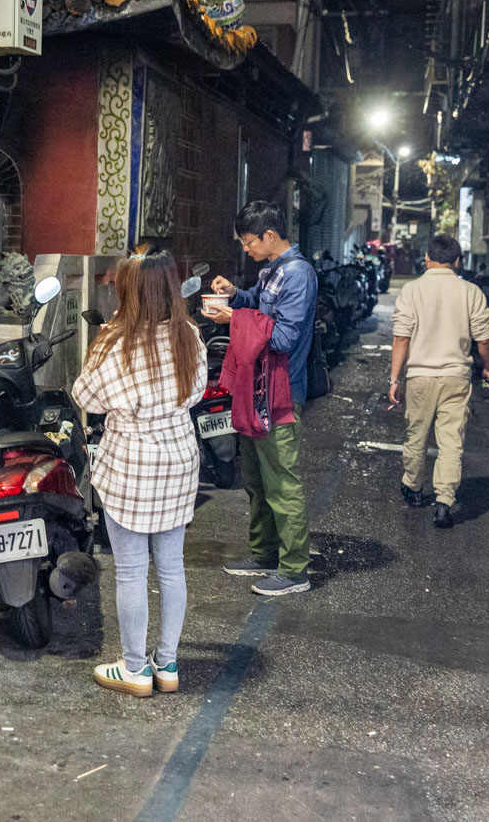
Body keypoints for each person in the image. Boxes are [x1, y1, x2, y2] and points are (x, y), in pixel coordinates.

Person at [72, 249, 207, 698]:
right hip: (179, 458)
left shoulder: (116, 341)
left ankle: (134, 669)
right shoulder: (189, 335)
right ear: (170, 287)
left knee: (131, 572)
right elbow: (198, 391)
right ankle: (166, 664)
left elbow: (85, 397)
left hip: (131, 462)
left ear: (130, 292)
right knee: (171, 567)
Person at [203, 200, 319, 597]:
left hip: (281, 393)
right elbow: (256, 303)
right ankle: (264, 553)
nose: (246, 248)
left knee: (282, 484)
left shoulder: (298, 274)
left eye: (249, 241)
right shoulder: (272, 270)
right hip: (257, 388)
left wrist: (233, 319)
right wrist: (236, 295)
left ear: (270, 235)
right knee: (255, 479)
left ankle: (295, 570)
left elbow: (284, 337)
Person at [388, 233, 489, 529]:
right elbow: (485, 339)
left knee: (416, 436)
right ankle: (444, 502)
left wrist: (394, 379)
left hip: (420, 377)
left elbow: (401, 337)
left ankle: (413, 486)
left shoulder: (412, 290)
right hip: (456, 377)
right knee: (451, 442)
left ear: (426, 259)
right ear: (458, 261)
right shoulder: (471, 292)